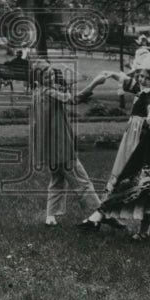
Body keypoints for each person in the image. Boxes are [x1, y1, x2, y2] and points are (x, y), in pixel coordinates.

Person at [77, 45, 150, 239]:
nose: (141, 80)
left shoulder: (149, 93)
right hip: (141, 140)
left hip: (143, 143)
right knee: (143, 182)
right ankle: (114, 221)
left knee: (139, 180)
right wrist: (111, 75)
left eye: (146, 77)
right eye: (140, 75)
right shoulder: (143, 89)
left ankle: (99, 218)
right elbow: (127, 82)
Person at [23, 51, 102, 227]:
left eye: (51, 72)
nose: (51, 76)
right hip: (60, 146)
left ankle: (50, 216)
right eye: (46, 75)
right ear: (38, 78)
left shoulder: (38, 92)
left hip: (49, 148)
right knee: (81, 180)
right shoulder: (50, 93)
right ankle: (99, 212)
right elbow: (74, 99)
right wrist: (95, 83)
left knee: (57, 180)